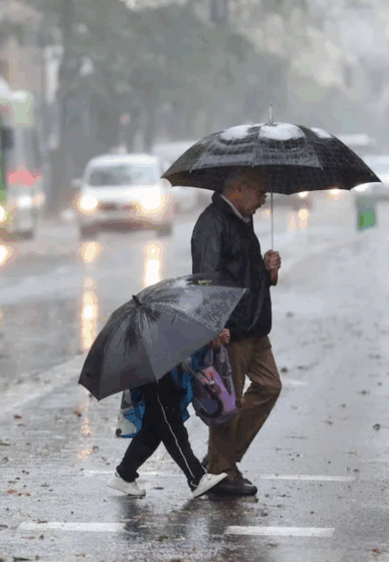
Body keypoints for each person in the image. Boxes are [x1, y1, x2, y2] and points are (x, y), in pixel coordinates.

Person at [190, 168, 282, 498]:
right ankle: (220, 472)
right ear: (239, 188)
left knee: (270, 386)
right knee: (228, 400)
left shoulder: (243, 219)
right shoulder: (212, 223)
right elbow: (206, 279)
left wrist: (266, 268)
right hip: (230, 329)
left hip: (255, 325)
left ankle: (220, 459)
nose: (263, 200)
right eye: (260, 192)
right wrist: (213, 325)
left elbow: (241, 271)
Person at [108, 335, 230, 499]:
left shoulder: (155, 319)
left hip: (161, 371)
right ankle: (197, 478)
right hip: (155, 375)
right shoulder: (149, 321)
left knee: (151, 432)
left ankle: (124, 474)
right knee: (172, 428)